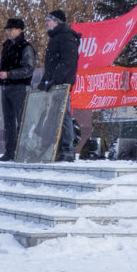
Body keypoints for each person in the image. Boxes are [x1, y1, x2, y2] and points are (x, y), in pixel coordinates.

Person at [40, 9, 82, 162]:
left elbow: (68, 61)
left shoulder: (66, 37)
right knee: (55, 116)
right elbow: (51, 65)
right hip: (54, 83)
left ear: (57, 22)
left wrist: (55, 79)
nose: (46, 24)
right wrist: (43, 82)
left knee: (63, 116)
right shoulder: (56, 38)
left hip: (62, 83)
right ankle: (57, 148)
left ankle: (67, 149)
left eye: (48, 20)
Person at [0, 18, 36, 162]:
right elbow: (3, 66)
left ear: (20, 30)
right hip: (6, 87)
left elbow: (29, 69)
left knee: (22, 120)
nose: (8, 32)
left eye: (11, 29)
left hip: (20, 87)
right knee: (8, 122)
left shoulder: (25, 46)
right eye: (7, 29)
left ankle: (24, 151)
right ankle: (9, 152)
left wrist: (10, 74)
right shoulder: (6, 46)